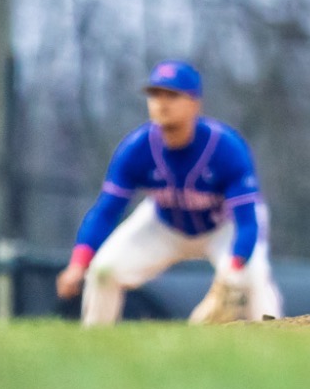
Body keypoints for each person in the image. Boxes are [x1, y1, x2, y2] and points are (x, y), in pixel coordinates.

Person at [55, 61, 283, 325]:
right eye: (155, 94)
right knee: (104, 270)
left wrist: (232, 271)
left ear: (194, 103)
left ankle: (278, 343)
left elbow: (248, 220)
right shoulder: (137, 148)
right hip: (165, 224)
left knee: (250, 277)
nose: (162, 103)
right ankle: (92, 345)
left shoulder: (225, 147)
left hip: (224, 227)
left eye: (172, 95)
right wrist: (78, 262)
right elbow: (106, 211)